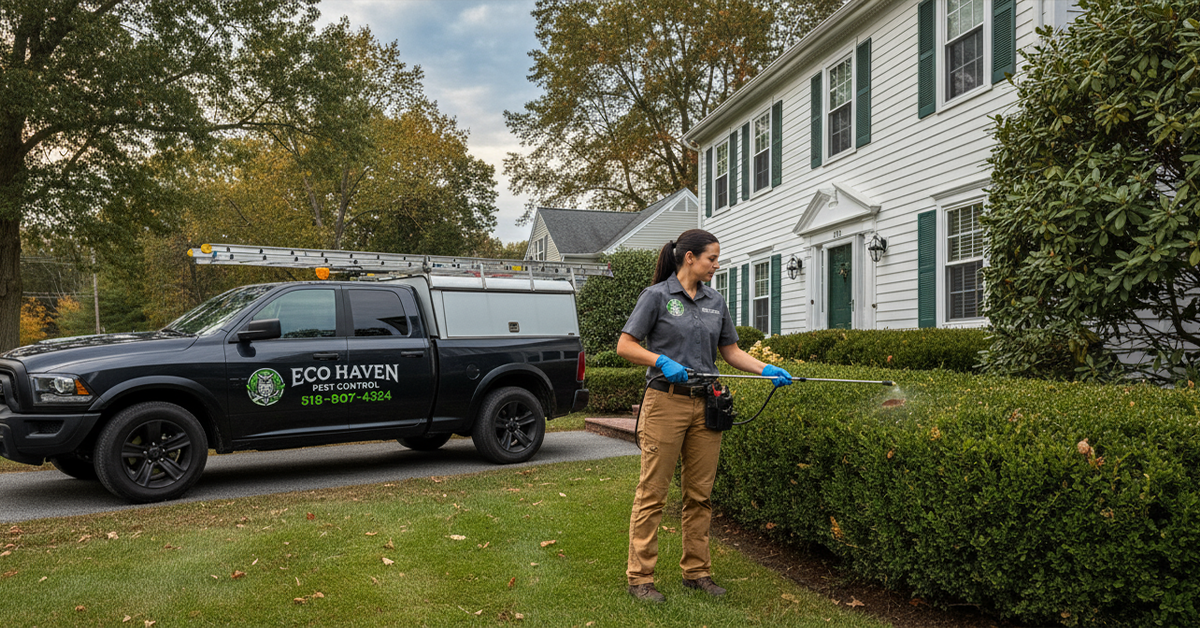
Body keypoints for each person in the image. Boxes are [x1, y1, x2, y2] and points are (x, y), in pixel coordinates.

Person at [616, 229, 792, 603]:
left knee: (700, 495)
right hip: (666, 402)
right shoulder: (657, 296)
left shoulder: (715, 301)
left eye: (717, 258)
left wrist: (766, 370)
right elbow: (625, 345)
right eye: (712, 258)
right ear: (689, 257)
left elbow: (731, 352)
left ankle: (696, 571)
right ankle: (640, 577)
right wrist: (660, 360)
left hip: (706, 404)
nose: (716, 265)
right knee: (653, 493)